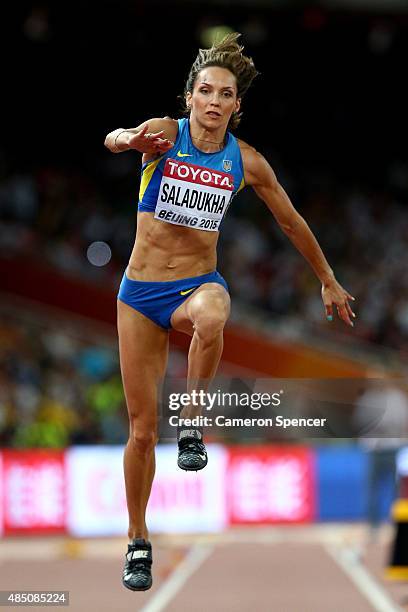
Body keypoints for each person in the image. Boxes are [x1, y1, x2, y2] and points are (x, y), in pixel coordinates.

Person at [104, 32, 356, 592]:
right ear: (189, 98)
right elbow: (116, 136)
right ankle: (137, 539)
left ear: (237, 106)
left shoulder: (247, 162)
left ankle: (193, 422)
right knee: (141, 432)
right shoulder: (167, 136)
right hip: (140, 295)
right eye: (205, 91)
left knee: (215, 313)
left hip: (197, 285)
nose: (214, 101)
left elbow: (290, 222)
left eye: (225, 94)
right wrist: (124, 139)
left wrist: (328, 279)